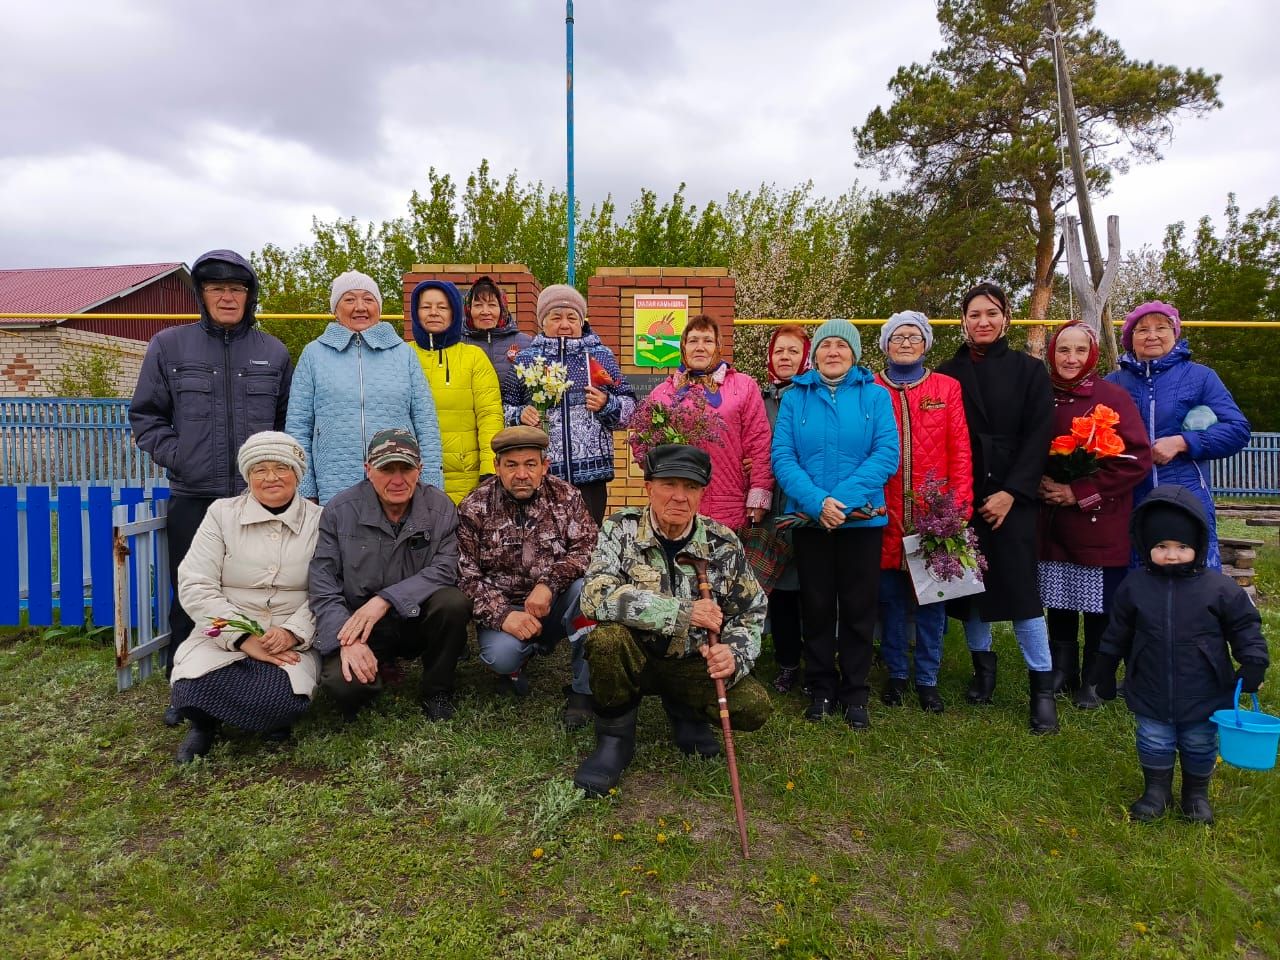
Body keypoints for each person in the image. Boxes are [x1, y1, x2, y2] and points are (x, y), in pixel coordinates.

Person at [130, 249, 292, 726]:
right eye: (217, 288)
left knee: (260, 588)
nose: (227, 296)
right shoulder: (170, 346)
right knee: (192, 594)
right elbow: (146, 416)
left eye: (237, 289)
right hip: (195, 495)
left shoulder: (273, 351)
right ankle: (186, 689)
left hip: (257, 498)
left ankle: (248, 677)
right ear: (202, 295)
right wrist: (180, 457)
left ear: (250, 296)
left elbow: (286, 424)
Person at [573, 444, 773, 797]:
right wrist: (680, 613)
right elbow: (594, 597)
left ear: (701, 493)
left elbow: (751, 610)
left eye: (691, 488)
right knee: (606, 641)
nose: (680, 497)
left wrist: (735, 655)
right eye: (669, 485)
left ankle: (686, 713)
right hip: (637, 658)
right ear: (649, 487)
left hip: (692, 661)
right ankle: (614, 737)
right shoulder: (619, 530)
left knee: (753, 707)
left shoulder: (722, 542)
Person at [1091, 485, 1269, 825]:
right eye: (1161, 546)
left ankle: (1195, 794)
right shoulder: (1134, 586)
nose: (1171, 555)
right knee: (1153, 739)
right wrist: (1105, 667)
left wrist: (1253, 662)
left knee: (1200, 743)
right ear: (1146, 546)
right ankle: (1156, 791)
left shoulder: (1219, 589)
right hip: (1149, 685)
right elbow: (1117, 631)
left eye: (1181, 546)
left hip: (1204, 689)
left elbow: (1245, 627)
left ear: (1198, 545)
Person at [937, 282, 1058, 734]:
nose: (982, 322)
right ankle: (982, 672)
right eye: (974, 315)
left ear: (1006, 317)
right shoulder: (948, 373)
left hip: (1014, 497)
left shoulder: (1030, 371)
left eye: (991, 313)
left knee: (1023, 595)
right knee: (970, 592)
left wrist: (1012, 492)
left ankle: (1041, 689)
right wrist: (957, 497)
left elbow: (1039, 434)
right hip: (964, 496)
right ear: (963, 321)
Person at [771, 319, 900, 729]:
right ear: (815, 354)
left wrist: (840, 501)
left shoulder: (875, 397)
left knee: (860, 608)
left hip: (859, 522)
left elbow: (885, 455)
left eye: (841, 346)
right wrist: (816, 502)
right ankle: (821, 687)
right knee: (818, 607)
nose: (832, 352)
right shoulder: (795, 397)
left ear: (855, 353)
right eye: (826, 345)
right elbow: (783, 457)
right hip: (811, 522)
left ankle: (855, 691)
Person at [168, 432, 323, 763]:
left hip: (288, 638)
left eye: (281, 467)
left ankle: (267, 717)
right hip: (222, 630)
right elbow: (196, 583)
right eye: (259, 469)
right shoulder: (222, 514)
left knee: (280, 698)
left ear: (297, 473)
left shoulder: (319, 521)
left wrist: (293, 632)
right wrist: (240, 635)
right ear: (247, 475)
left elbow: (328, 589)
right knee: (189, 688)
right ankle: (204, 725)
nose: (270, 478)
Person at [308, 429, 472, 722]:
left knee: (453, 603)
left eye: (406, 468)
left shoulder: (441, 508)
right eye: (386, 469)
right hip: (361, 625)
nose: (398, 480)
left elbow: (446, 568)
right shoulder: (339, 511)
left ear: (420, 470)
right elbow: (323, 584)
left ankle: (438, 689)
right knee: (344, 687)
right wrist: (348, 641)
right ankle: (375, 668)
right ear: (368, 470)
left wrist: (385, 599)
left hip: (417, 618)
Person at [1037, 321, 1151, 709]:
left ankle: (1097, 679)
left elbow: (1137, 458)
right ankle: (1061, 670)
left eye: (1079, 351)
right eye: (1063, 350)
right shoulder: (1041, 394)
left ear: (1092, 355)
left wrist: (1079, 491)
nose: (1071, 359)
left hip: (1097, 518)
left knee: (1099, 603)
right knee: (1060, 596)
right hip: (1051, 518)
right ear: (1052, 353)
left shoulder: (1111, 397)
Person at [456, 426, 599, 727]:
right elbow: (464, 573)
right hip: (506, 609)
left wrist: (550, 583)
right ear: (496, 467)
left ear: (544, 466)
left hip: (556, 603)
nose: (521, 474)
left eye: (530, 464)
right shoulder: (474, 506)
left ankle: (583, 691)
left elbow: (588, 550)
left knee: (589, 590)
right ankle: (516, 665)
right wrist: (503, 614)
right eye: (511, 465)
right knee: (501, 656)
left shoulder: (567, 497)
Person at [873, 311, 972, 713]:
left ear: (927, 343)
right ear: (886, 344)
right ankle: (896, 672)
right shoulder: (872, 387)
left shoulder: (946, 388)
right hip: (885, 511)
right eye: (898, 337)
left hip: (936, 514)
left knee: (934, 599)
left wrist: (958, 508)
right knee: (891, 600)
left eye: (915, 336)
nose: (906, 343)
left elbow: (960, 449)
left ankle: (928, 677)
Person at [1106, 301, 1250, 572]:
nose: (1152, 335)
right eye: (1142, 330)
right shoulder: (1113, 382)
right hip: (1129, 501)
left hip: (1187, 497)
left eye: (1161, 328)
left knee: (1192, 584)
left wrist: (1184, 442)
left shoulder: (1201, 377)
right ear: (1130, 339)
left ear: (1175, 334)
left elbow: (1237, 430)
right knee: (1137, 587)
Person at [286, 271, 444, 504]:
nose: (360, 307)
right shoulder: (314, 354)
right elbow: (298, 426)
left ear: (378, 308)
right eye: (349, 299)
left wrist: (430, 482)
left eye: (368, 299)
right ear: (335, 309)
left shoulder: (403, 354)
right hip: (333, 480)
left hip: (397, 480)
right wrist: (304, 485)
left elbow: (426, 422)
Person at [503, 284, 636, 524]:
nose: (565, 324)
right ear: (543, 322)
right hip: (540, 475)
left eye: (572, 317)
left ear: (581, 321)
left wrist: (607, 404)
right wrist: (519, 415)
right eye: (556, 317)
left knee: (587, 545)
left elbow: (630, 409)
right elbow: (502, 408)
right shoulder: (526, 359)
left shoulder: (600, 355)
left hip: (591, 478)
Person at [646, 314, 773, 530]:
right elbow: (647, 448)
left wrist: (758, 494)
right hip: (677, 504)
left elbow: (759, 444)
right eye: (693, 340)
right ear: (683, 347)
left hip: (730, 501)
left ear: (718, 346)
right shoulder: (662, 394)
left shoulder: (743, 387)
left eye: (707, 341)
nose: (700, 347)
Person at [408, 279, 505, 504]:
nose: (434, 313)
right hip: (414, 477)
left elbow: (489, 415)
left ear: (454, 312)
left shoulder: (473, 357)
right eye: (426, 307)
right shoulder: (403, 355)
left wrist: (489, 469)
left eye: (442, 307)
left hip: (467, 480)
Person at [760, 324, 811, 694]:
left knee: (812, 589)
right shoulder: (759, 399)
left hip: (806, 505)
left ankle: (818, 661)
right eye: (780, 351)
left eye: (794, 351)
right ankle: (788, 662)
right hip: (768, 506)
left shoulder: (816, 395)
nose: (786, 358)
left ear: (805, 356)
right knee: (780, 589)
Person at [462, 275, 531, 386]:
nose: (485, 311)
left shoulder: (526, 344)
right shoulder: (457, 343)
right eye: (478, 305)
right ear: (469, 309)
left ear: (502, 308)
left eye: (492, 305)